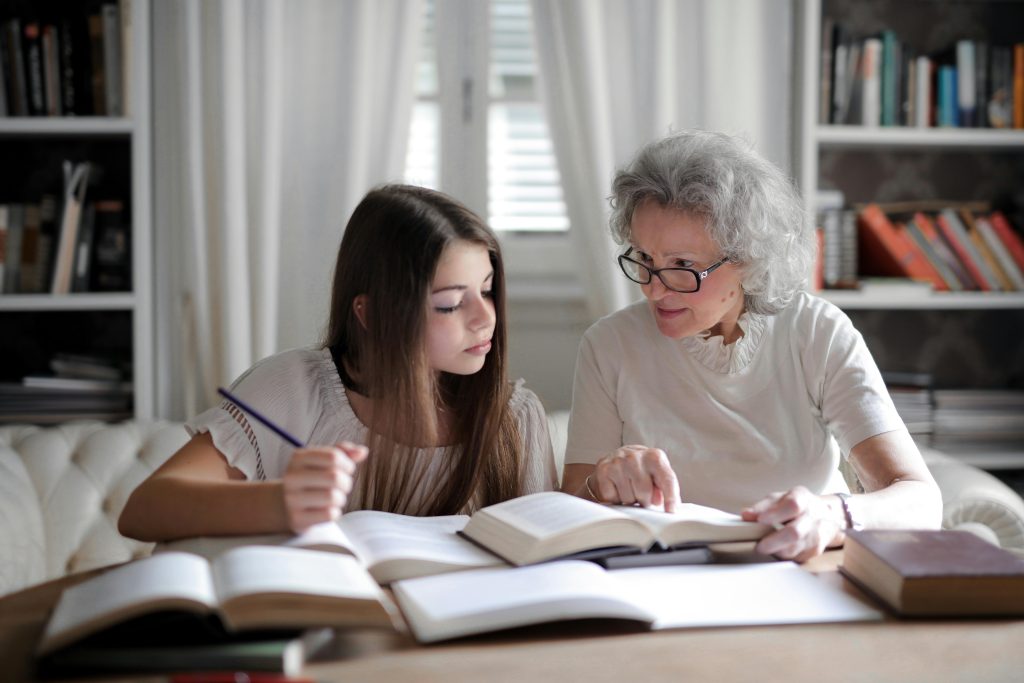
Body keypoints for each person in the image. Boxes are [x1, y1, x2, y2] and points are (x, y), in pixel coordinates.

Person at [561, 131, 942, 562]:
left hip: (804, 570)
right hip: (666, 577)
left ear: (748, 259)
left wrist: (832, 515)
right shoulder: (609, 345)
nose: (653, 289)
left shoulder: (816, 333)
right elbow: (568, 508)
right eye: (645, 259)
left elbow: (921, 500)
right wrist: (601, 483)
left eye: (683, 266)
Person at [120, 184, 557, 541]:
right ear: (371, 314)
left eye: (486, 289)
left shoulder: (515, 418)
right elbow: (145, 510)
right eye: (449, 304)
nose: (485, 318)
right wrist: (279, 501)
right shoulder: (293, 389)